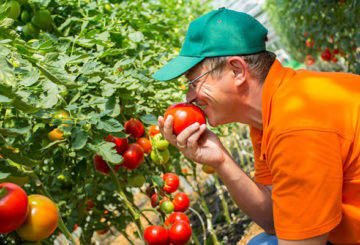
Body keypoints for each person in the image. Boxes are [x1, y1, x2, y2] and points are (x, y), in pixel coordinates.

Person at [152, 8, 360, 245]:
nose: (189, 98)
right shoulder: (270, 112)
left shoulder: (296, 124)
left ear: (237, 70)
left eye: (194, 82)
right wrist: (220, 159)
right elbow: (274, 220)